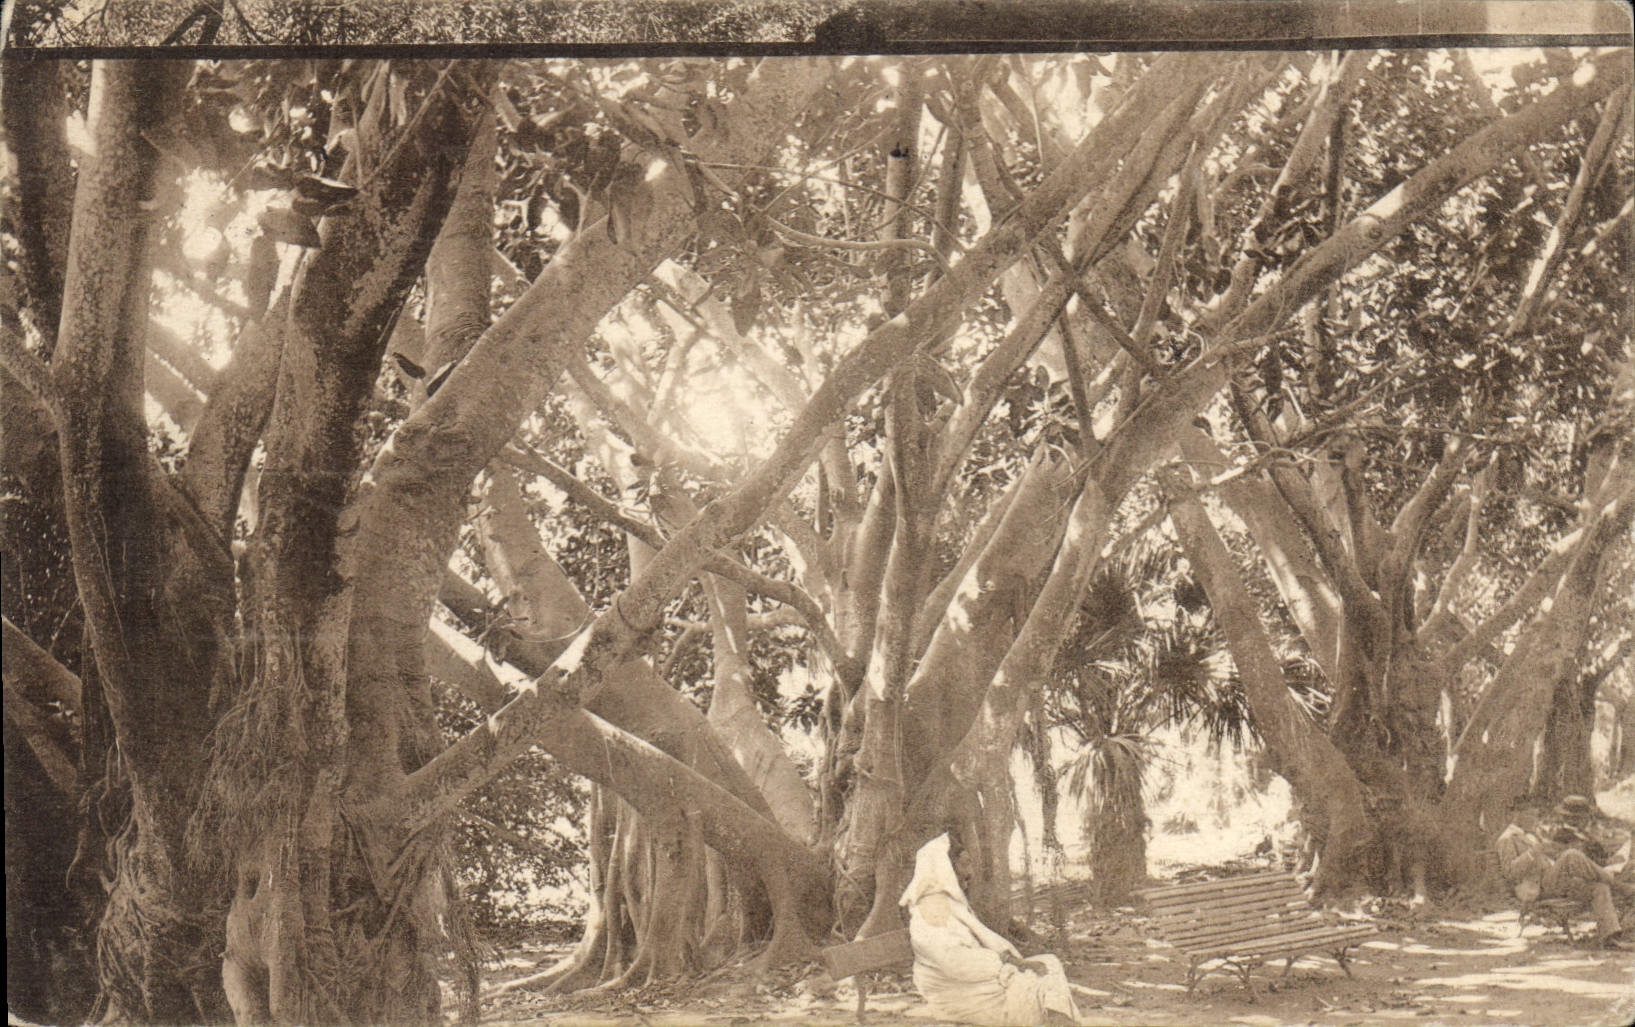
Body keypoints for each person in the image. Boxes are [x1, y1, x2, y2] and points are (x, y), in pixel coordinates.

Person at [899, 832, 1082, 1025]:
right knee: (1039, 980)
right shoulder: (932, 907)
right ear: (946, 868)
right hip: (956, 993)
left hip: (975, 982)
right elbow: (953, 963)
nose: (970, 872)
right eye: (964, 864)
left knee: (1049, 965)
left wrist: (1011, 964)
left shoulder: (948, 902)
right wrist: (1012, 964)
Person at [1496, 798, 1631, 948]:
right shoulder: (1507, 839)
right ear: (1517, 815)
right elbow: (1510, 873)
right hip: (1537, 887)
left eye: (1535, 815)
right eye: (1530, 815)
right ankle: (1618, 885)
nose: (1534, 819)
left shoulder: (1532, 834)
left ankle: (1609, 937)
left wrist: (1551, 852)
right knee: (1571, 855)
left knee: (1598, 886)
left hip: (1553, 880)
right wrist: (1533, 853)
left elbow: (1545, 856)